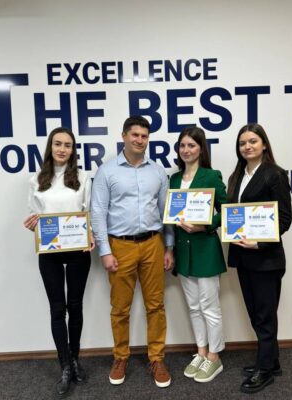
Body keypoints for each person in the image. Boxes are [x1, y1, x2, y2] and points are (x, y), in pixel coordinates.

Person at [90, 115, 174, 388]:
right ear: (124, 136)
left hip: (153, 244)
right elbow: (98, 212)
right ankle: (120, 357)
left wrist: (169, 246)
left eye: (144, 136)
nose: (140, 140)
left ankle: (157, 358)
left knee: (156, 305)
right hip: (120, 246)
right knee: (120, 308)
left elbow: (166, 212)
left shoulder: (157, 172)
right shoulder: (107, 171)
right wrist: (105, 250)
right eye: (135, 135)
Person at [23, 127, 94, 397]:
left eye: (67, 145)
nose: (62, 149)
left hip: (78, 250)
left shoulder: (83, 178)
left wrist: (90, 234)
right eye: (57, 144)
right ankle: (64, 365)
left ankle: (75, 359)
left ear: (73, 150)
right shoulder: (36, 180)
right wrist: (32, 224)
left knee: (75, 307)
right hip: (50, 252)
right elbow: (34, 215)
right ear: (50, 147)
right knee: (57, 310)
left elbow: (88, 212)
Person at [227, 123, 292, 394]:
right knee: (257, 314)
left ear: (264, 144)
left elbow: (284, 219)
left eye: (253, 141)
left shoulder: (275, 174)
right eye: (243, 143)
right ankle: (271, 362)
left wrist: (260, 242)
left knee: (265, 317)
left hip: (266, 259)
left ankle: (264, 371)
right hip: (243, 257)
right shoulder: (237, 175)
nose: (247, 146)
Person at [169, 126, 227, 383]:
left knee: (209, 307)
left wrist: (206, 225)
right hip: (183, 251)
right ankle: (201, 352)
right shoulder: (174, 179)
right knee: (194, 307)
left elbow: (227, 210)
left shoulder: (211, 176)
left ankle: (214, 357)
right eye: (182, 145)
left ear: (201, 149)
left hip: (205, 250)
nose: (186, 150)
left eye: (191, 145)